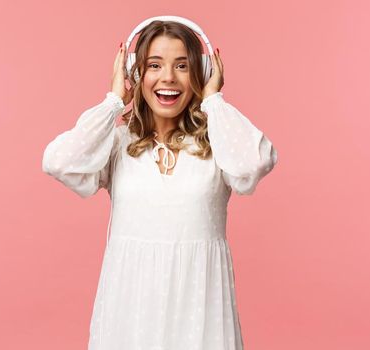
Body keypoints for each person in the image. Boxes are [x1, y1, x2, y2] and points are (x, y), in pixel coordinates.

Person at [41, 20, 278, 350]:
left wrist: (214, 101)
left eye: (182, 65)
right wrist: (113, 100)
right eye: (154, 65)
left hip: (200, 314)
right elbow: (59, 161)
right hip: (130, 316)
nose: (168, 77)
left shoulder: (217, 144)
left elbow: (254, 163)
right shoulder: (118, 144)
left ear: (202, 71)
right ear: (135, 73)